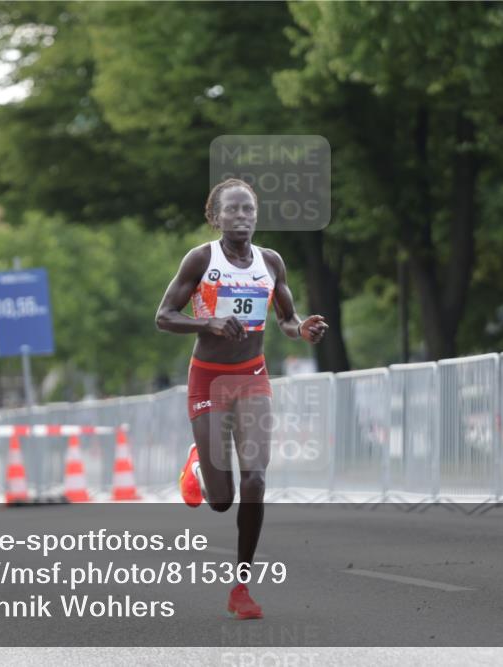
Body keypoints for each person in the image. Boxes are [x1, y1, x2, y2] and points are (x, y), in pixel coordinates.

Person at [155, 178, 328, 619]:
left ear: (256, 215)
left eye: (248, 210)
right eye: (231, 211)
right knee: (221, 499)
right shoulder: (201, 259)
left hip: (252, 377)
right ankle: (198, 462)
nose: (241, 217)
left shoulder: (270, 263)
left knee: (255, 480)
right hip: (208, 380)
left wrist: (302, 328)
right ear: (216, 217)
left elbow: (287, 320)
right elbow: (164, 316)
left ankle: (242, 587)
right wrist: (208, 322)